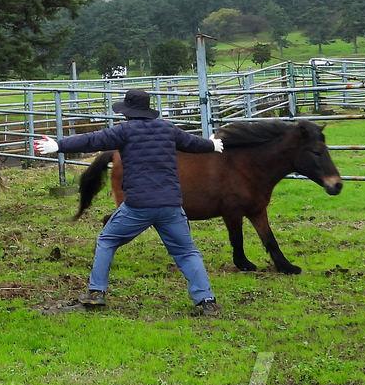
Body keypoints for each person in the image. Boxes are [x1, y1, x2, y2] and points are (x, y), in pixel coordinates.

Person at [32, 88, 225, 316]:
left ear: (127, 112)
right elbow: (193, 144)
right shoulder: (167, 129)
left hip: (139, 206)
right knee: (186, 252)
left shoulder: (124, 131)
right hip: (171, 204)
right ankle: (207, 301)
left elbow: (91, 141)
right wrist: (212, 145)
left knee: (107, 239)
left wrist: (58, 146)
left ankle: (96, 294)